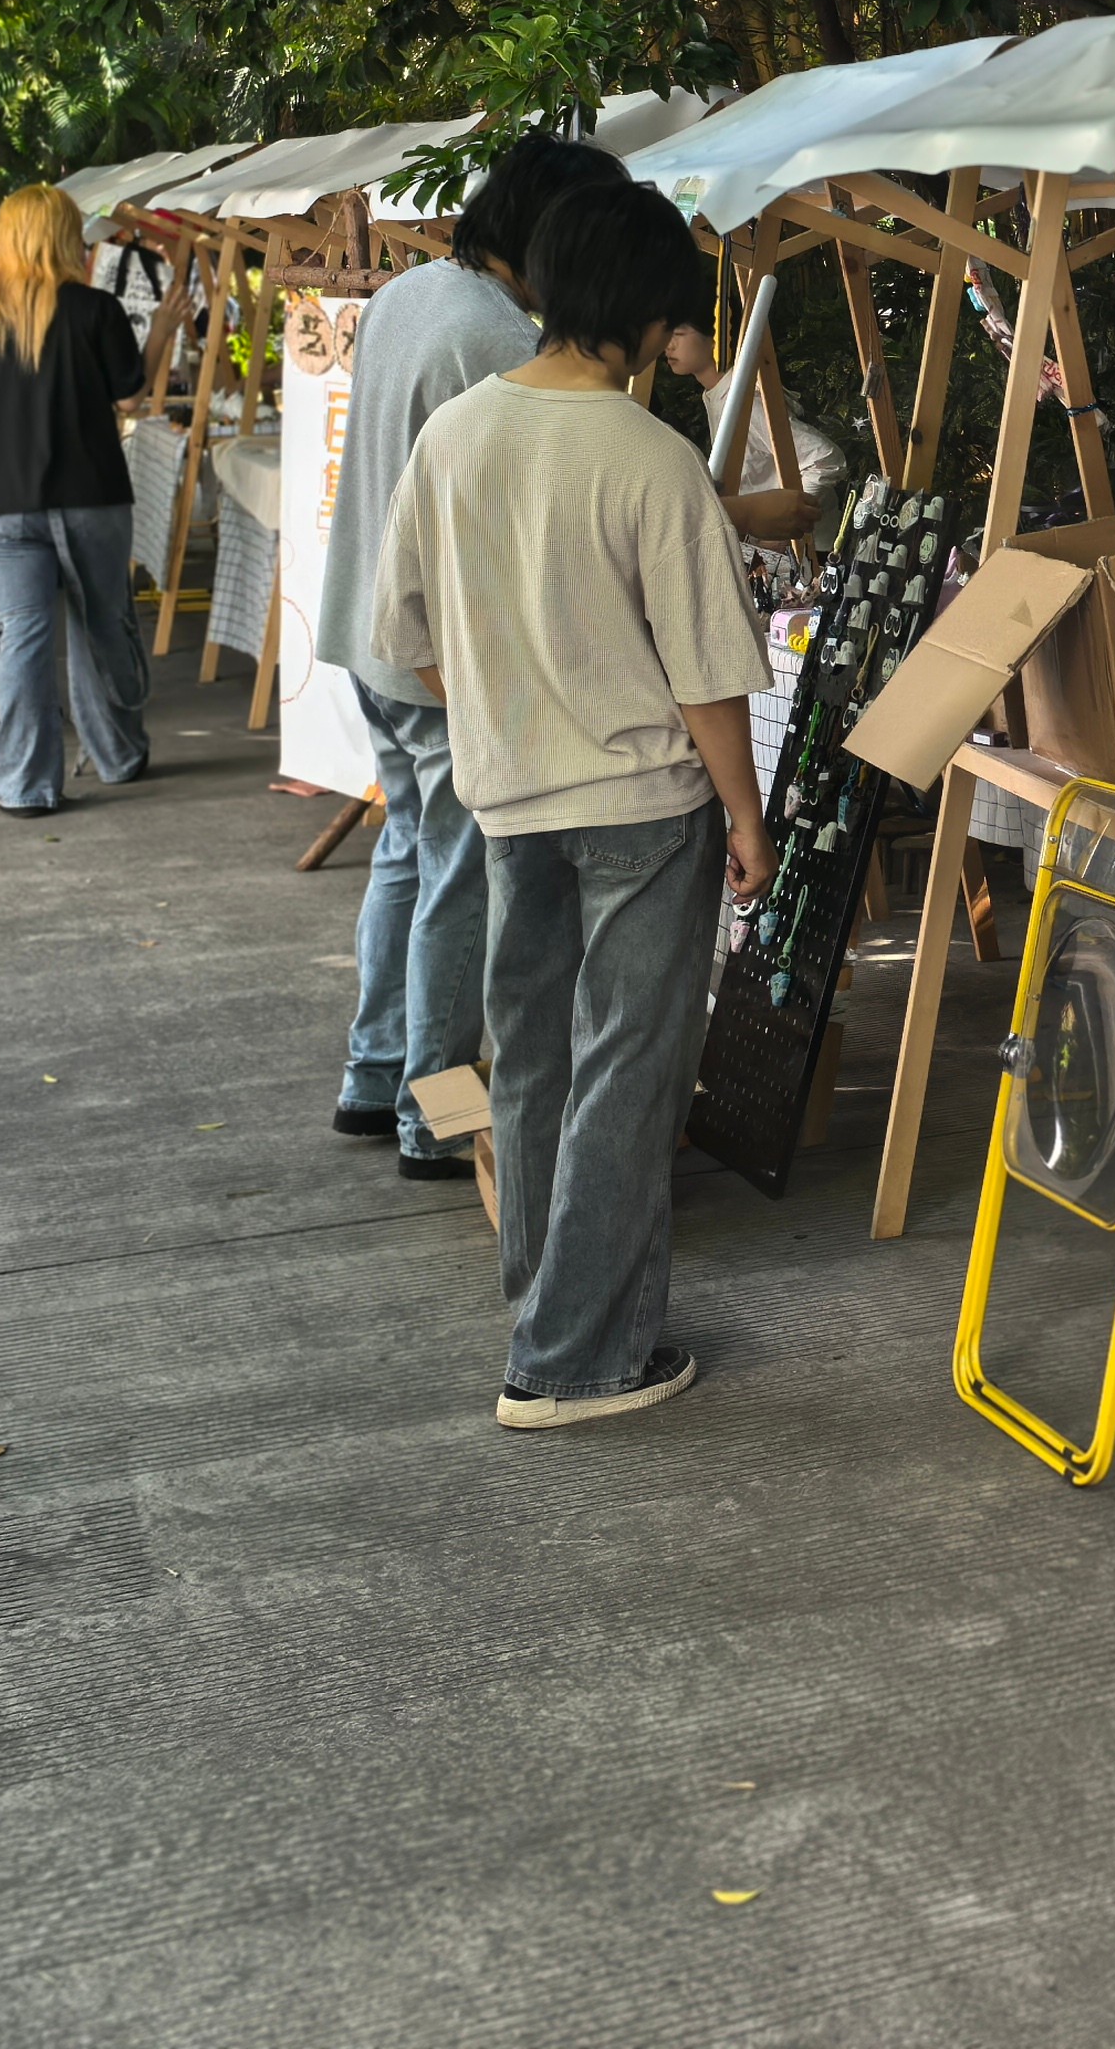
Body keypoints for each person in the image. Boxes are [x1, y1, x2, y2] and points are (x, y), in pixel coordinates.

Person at [372, 181, 775, 1430]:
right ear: (651, 312)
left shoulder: (455, 436)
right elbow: (707, 676)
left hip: (508, 802)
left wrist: (502, 715)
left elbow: (407, 638)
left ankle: (545, 1306)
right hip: (644, 801)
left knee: (535, 1058)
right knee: (627, 1071)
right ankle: (577, 1358)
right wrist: (747, 817)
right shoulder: (651, 459)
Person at [313, 133, 631, 1177]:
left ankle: (374, 1078)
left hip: (375, 634)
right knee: (457, 885)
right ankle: (433, 1118)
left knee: (409, 859)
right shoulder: (492, 336)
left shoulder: (410, 294)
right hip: (441, 659)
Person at [0, 184, 150, 818]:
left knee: (23, 634)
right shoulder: (96, 310)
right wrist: (162, 332)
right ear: (65, 237)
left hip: (1, 502)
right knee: (102, 622)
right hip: (92, 496)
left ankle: (25, 783)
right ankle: (117, 754)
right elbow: (130, 398)